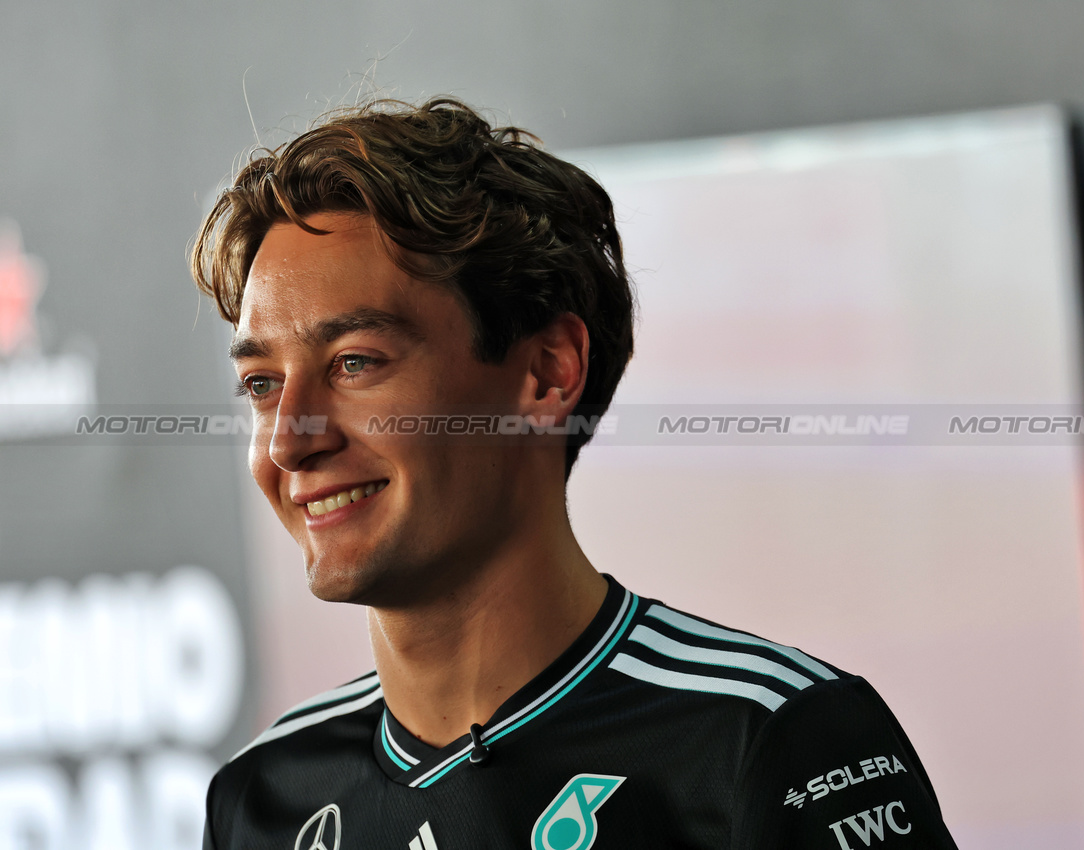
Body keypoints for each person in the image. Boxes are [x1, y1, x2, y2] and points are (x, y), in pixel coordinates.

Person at [191, 97, 959, 850]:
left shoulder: (771, 741)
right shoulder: (261, 795)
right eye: (261, 385)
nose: (289, 442)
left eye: (355, 363)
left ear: (547, 373)